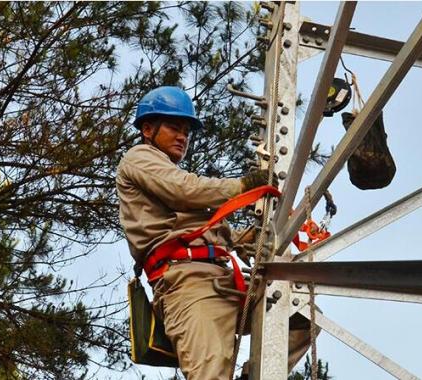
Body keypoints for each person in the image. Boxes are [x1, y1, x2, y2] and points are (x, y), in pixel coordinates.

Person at [116, 86, 310, 379]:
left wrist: (257, 239)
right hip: (188, 287)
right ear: (147, 129)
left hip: (224, 282)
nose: (183, 136)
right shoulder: (139, 158)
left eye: (186, 131)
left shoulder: (174, 183)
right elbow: (186, 190)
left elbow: (220, 234)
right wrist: (244, 186)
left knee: (300, 310)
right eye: (173, 127)